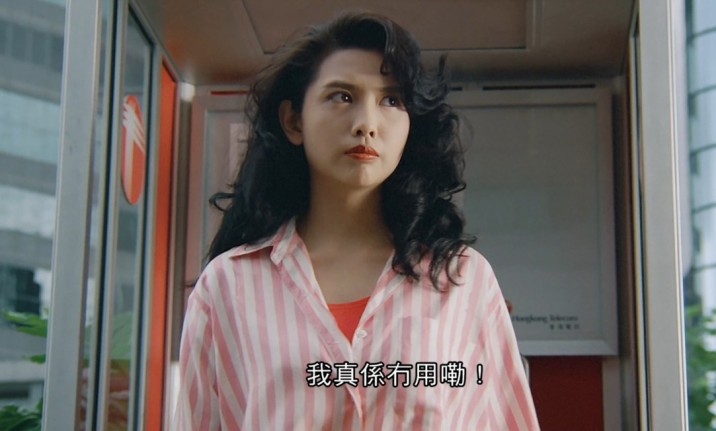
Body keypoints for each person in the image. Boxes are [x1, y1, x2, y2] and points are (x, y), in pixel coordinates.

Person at [173, 11, 540, 430]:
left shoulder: (463, 279)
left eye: (391, 100)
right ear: (293, 120)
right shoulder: (227, 286)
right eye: (342, 97)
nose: (367, 124)